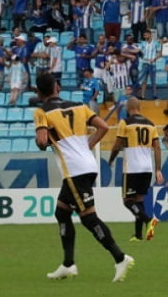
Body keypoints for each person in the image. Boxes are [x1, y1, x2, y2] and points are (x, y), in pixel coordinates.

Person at [33, 73, 135, 282]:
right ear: (57, 88)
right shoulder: (79, 106)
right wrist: (86, 146)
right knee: (62, 212)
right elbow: (104, 127)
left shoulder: (41, 112)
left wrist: (45, 138)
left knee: (88, 217)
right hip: (87, 164)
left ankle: (120, 257)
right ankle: (68, 264)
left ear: (39, 92)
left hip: (74, 171)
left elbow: (43, 141)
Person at [108, 98, 163, 242]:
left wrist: (111, 159)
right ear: (139, 107)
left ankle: (148, 220)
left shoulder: (125, 123)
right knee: (139, 200)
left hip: (132, 167)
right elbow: (157, 147)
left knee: (127, 201)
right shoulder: (151, 124)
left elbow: (117, 145)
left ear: (128, 108)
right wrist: (158, 169)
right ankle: (138, 235)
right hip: (147, 168)